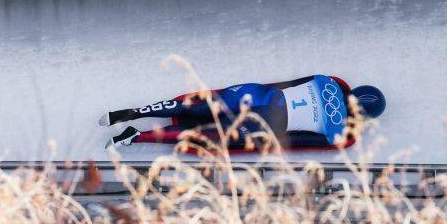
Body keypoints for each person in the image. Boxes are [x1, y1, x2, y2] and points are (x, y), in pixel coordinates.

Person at [101, 75, 386, 152]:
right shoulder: (339, 133)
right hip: (266, 124)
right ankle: (136, 138)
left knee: (198, 105)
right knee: (203, 135)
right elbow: (297, 142)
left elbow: (296, 82)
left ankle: (131, 113)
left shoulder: (327, 81)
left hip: (259, 94)